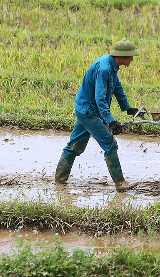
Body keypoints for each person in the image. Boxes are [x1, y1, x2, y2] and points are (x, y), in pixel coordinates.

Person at [54, 39, 140, 192]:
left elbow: (116, 87)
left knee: (75, 145)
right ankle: (120, 183)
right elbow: (100, 98)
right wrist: (110, 121)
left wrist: (127, 108)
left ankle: (59, 180)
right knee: (110, 143)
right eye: (131, 56)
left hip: (85, 109)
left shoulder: (111, 66)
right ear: (121, 56)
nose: (132, 59)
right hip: (88, 111)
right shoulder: (104, 69)